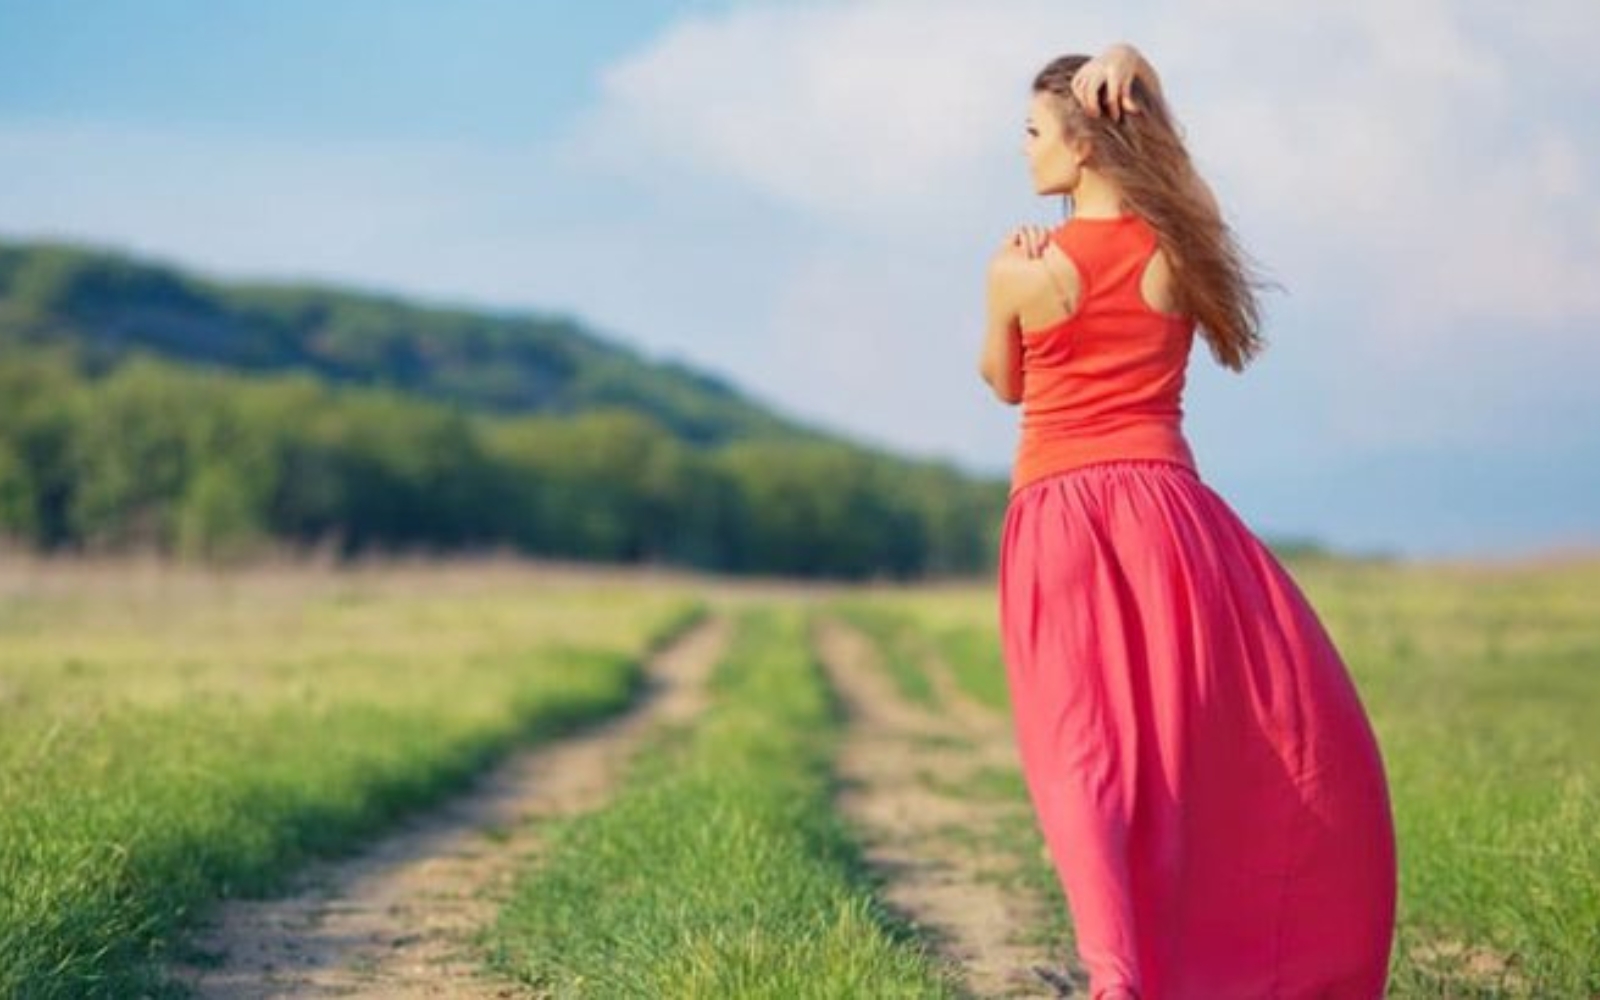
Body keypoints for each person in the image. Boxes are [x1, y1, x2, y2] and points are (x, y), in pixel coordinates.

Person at [978, 44, 1398, 999]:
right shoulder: (1178, 249)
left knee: (1080, 753)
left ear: (1082, 148)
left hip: (1057, 518)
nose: (1024, 149)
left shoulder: (1019, 269)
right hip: (1168, 516)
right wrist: (1145, 78)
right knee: (1188, 754)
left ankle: (1117, 973)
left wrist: (1008, 283)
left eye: (1035, 132)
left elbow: (1004, 384)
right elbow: (1191, 199)